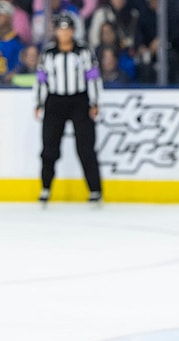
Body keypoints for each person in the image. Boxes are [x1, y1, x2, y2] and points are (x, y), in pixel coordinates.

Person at [34, 12, 103, 204]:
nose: (64, 33)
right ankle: (46, 187)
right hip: (55, 101)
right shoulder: (48, 53)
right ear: (56, 31)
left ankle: (95, 189)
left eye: (68, 29)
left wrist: (94, 102)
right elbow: (41, 80)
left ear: (73, 31)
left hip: (79, 101)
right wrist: (39, 102)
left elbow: (93, 78)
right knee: (49, 148)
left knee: (86, 147)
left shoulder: (84, 51)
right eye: (61, 29)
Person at [0, 0, 25, 77]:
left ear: (9, 17)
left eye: (1, 15)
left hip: (10, 83)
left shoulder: (18, 42)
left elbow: (20, 67)